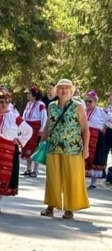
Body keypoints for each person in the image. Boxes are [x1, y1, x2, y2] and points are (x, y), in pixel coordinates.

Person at [41, 79, 89, 219]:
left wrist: (85, 148)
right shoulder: (51, 106)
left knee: (72, 179)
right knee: (53, 178)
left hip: (72, 148)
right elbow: (48, 126)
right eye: (60, 88)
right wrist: (41, 143)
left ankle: (70, 208)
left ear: (72, 91)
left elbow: (85, 129)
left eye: (66, 88)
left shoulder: (78, 106)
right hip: (54, 147)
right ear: (56, 90)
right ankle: (50, 206)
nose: (63, 90)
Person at [82, 91, 108, 189]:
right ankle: (80, 181)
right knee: (81, 158)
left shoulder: (102, 111)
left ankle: (93, 183)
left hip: (96, 137)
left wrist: (106, 126)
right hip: (83, 135)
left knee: (95, 158)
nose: (88, 103)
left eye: (90, 101)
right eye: (86, 101)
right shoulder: (82, 110)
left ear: (95, 101)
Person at [20, 87, 47, 177]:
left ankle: (35, 170)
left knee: (35, 149)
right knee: (27, 148)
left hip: (36, 128)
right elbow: (24, 115)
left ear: (34, 96)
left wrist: (42, 129)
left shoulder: (41, 105)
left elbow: (44, 118)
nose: (28, 95)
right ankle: (28, 169)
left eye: (29, 94)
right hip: (28, 127)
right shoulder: (28, 104)